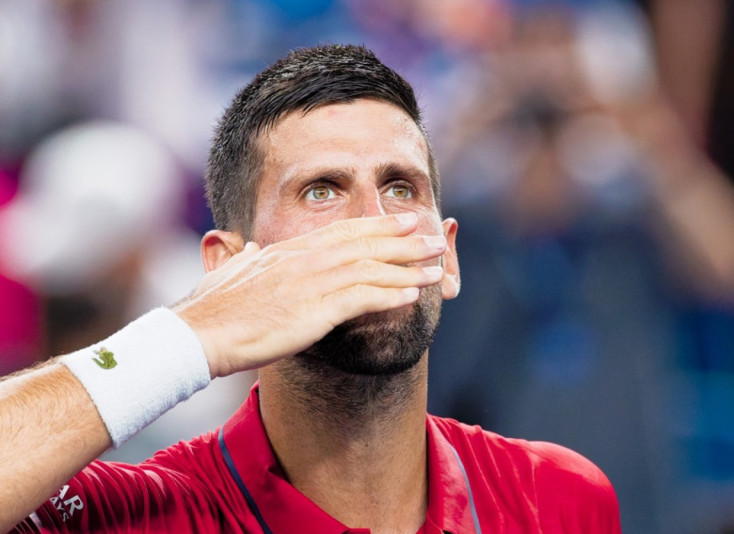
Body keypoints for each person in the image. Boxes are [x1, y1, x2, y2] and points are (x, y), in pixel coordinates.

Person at [0, 44, 621, 533]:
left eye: (401, 188)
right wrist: (193, 331)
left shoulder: (558, 497)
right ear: (227, 266)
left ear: (448, 256)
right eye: (321, 190)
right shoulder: (136, 513)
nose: (373, 222)